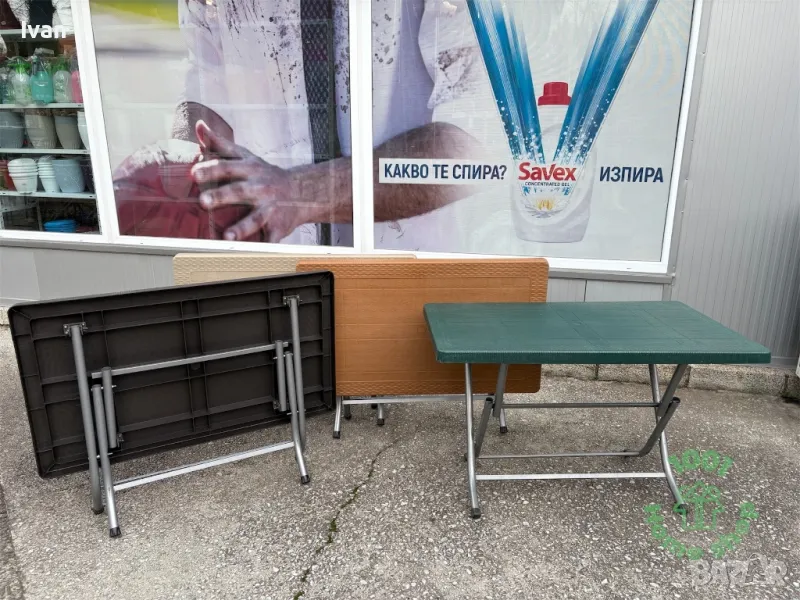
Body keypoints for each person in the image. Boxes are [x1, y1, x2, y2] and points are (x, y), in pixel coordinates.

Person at [114, 0, 482, 247]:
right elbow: (207, 78)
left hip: (410, 270)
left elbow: (472, 145)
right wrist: (188, 167)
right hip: (274, 272)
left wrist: (299, 192)